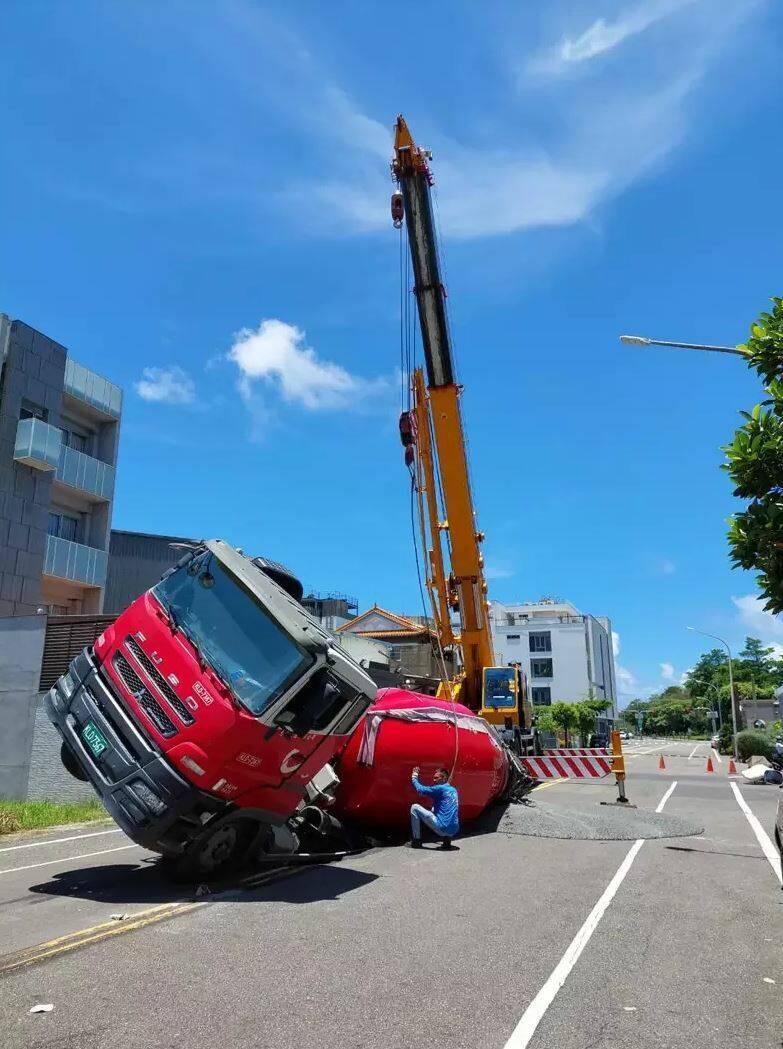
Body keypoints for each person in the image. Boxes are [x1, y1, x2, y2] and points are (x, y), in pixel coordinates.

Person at [409, 765, 459, 849]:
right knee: (437, 809)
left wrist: (414, 776)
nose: (433, 780)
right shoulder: (453, 790)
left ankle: (416, 841)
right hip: (454, 830)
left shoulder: (439, 788)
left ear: (444, 778)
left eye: (436, 778)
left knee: (414, 807)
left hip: (442, 828)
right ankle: (447, 842)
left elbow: (420, 789)